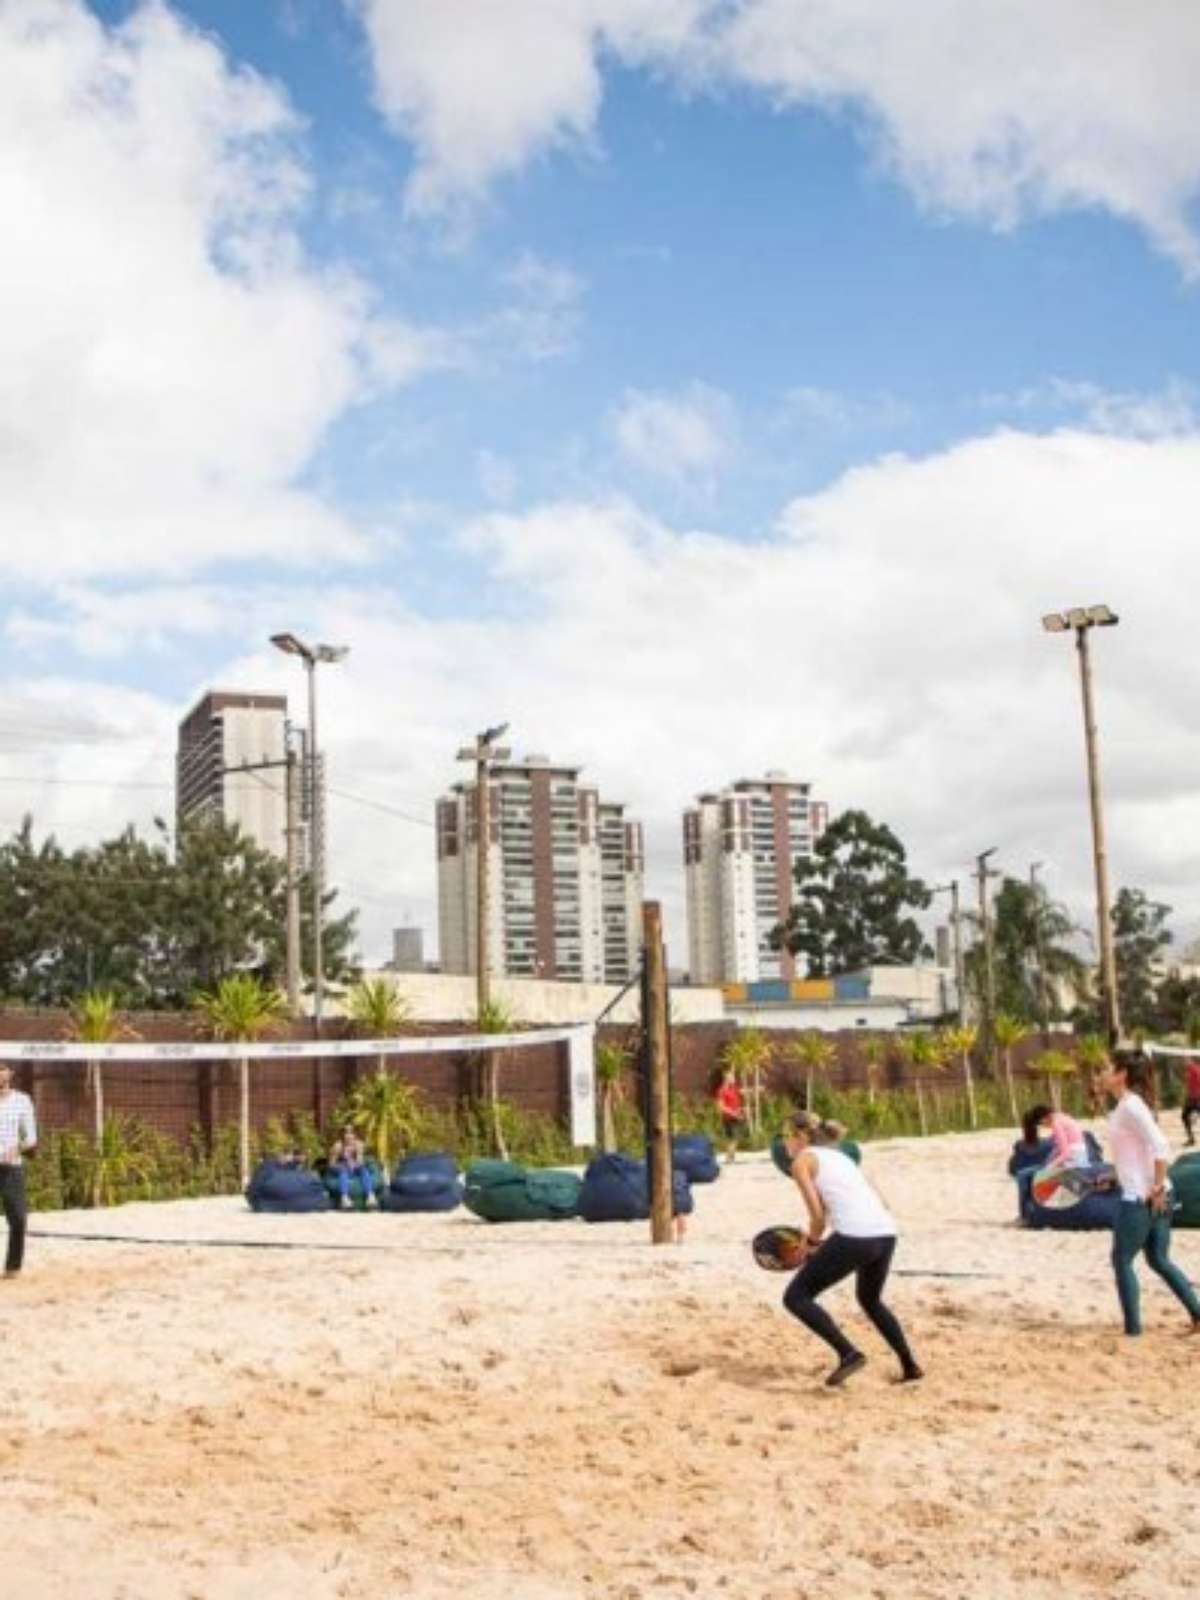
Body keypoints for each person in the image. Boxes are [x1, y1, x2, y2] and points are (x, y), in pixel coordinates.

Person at [778, 1109, 922, 1387]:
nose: (784, 1143)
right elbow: (880, 1202)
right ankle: (910, 1364)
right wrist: (819, 1243)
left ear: (800, 1136)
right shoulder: (843, 1157)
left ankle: (848, 1353)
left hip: (856, 1234)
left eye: (785, 1135)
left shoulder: (801, 1161)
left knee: (796, 1297)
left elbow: (818, 1218)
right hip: (886, 1232)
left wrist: (811, 1246)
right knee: (870, 1300)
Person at [1104, 1052, 1200, 1338]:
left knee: (1122, 1259)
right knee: (1158, 1259)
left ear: (1121, 1074)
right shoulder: (1129, 1106)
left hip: (1142, 1197)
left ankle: (1133, 1331)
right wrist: (1114, 1175)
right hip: (1153, 1192)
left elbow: (1160, 1147)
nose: (1102, 1074)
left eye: (1107, 1068)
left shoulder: (1131, 1107)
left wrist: (1155, 1187)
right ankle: (1197, 1314)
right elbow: (1140, 1152)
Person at [0, 1061, 38, 1279]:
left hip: (11, 1167)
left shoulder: (22, 1101)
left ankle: (13, 1267)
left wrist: (17, 1149)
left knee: (18, 1217)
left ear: (10, 1074)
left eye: (3, 1072)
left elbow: (31, 1138)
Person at [328, 1124, 379, 1211]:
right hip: (341, 1166)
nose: (348, 1136)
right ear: (342, 1135)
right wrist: (341, 1166)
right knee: (343, 1171)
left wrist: (355, 1165)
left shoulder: (359, 1144)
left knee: (364, 1170)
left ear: (355, 1135)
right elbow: (331, 1163)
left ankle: (370, 1196)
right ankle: (344, 1198)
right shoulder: (338, 1146)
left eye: (351, 1133)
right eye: (346, 1133)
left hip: (354, 1166)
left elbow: (360, 1160)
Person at [1025, 1103, 1089, 1168]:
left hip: (1074, 1161)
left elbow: (1066, 1153)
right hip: (1080, 1155)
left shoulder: (1056, 1124)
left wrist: (1049, 1166)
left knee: (1038, 1171)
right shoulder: (1060, 1116)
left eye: (1041, 1124)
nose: (1043, 1126)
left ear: (1043, 1119)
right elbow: (1060, 1143)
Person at [714, 1067, 745, 1163]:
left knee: (734, 1138)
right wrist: (734, 1113)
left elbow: (737, 1101)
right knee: (733, 1138)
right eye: (732, 1077)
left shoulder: (734, 1089)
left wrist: (741, 1111)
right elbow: (721, 1107)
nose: (734, 1079)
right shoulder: (722, 1091)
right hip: (729, 1118)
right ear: (727, 1078)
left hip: (736, 1116)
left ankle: (731, 1157)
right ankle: (729, 1158)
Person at [1182, 1057, 1200, 1148]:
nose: (1183, 1062)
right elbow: (1189, 1085)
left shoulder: (1195, 1069)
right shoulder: (1189, 1070)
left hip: (1196, 1098)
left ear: (1191, 1060)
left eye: (1185, 1060)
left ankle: (1191, 1139)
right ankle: (1191, 1139)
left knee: (1186, 1116)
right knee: (1184, 1116)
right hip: (1191, 1098)